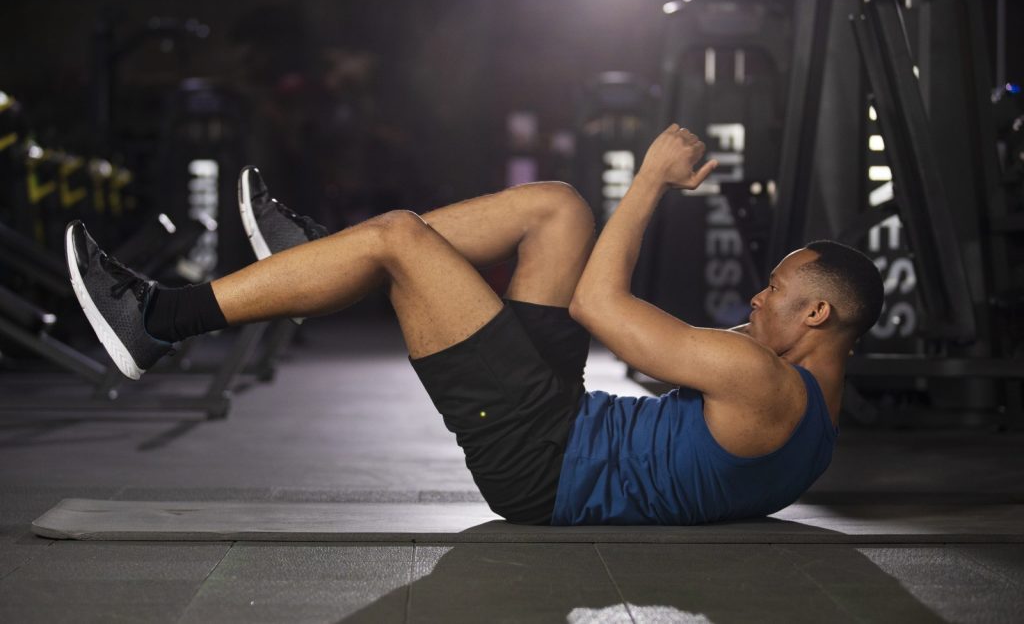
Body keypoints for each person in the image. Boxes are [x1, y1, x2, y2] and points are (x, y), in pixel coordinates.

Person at [65, 124, 884, 526]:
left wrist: (649, 181)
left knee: (397, 238)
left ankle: (157, 320)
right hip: (568, 423)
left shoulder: (762, 380)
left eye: (772, 289)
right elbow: (672, 405)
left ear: (816, 311)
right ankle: (319, 257)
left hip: (545, 461)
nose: (754, 298)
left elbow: (599, 309)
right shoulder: (811, 419)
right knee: (558, 208)